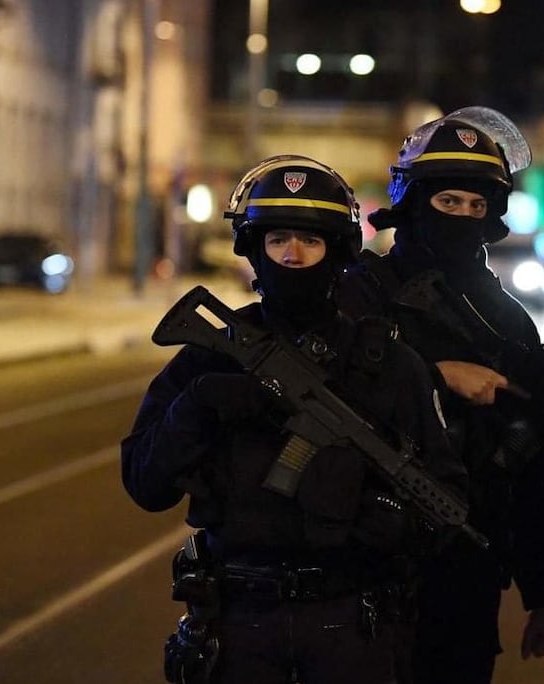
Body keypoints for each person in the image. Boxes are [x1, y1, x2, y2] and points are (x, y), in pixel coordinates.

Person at [121, 155, 468, 684]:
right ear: (254, 250)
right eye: (278, 239)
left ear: (339, 253)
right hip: (238, 621)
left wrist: (397, 523)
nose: (293, 255)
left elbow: (444, 494)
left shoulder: (390, 365)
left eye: (311, 241)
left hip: (350, 621)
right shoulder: (210, 356)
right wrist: (197, 404)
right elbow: (145, 484)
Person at [337, 107, 544, 683]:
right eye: (448, 202)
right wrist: (436, 375)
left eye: (476, 205)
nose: (463, 215)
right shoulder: (358, 293)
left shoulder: (506, 318)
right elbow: (323, 392)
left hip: (468, 559)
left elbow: (529, 459)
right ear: (414, 204)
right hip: (363, 560)